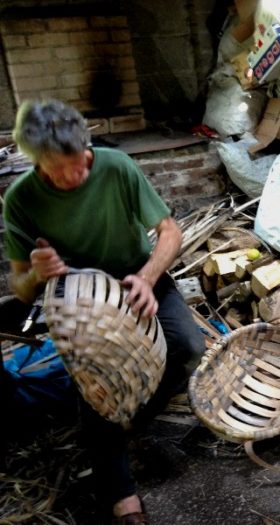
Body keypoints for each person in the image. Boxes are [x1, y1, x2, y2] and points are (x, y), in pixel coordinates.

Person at [3, 99, 205, 524]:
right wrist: (36, 274)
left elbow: (169, 232)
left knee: (187, 346)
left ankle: (130, 417)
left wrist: (148, 278)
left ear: (87, 147)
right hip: (79, 297)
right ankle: (119, 490)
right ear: (34, 160)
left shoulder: (115, 166)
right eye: (58, 170)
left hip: (137, 276)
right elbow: (18, 287)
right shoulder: (20, 200)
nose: (74, 176)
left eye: (79, 164)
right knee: (95, 380)